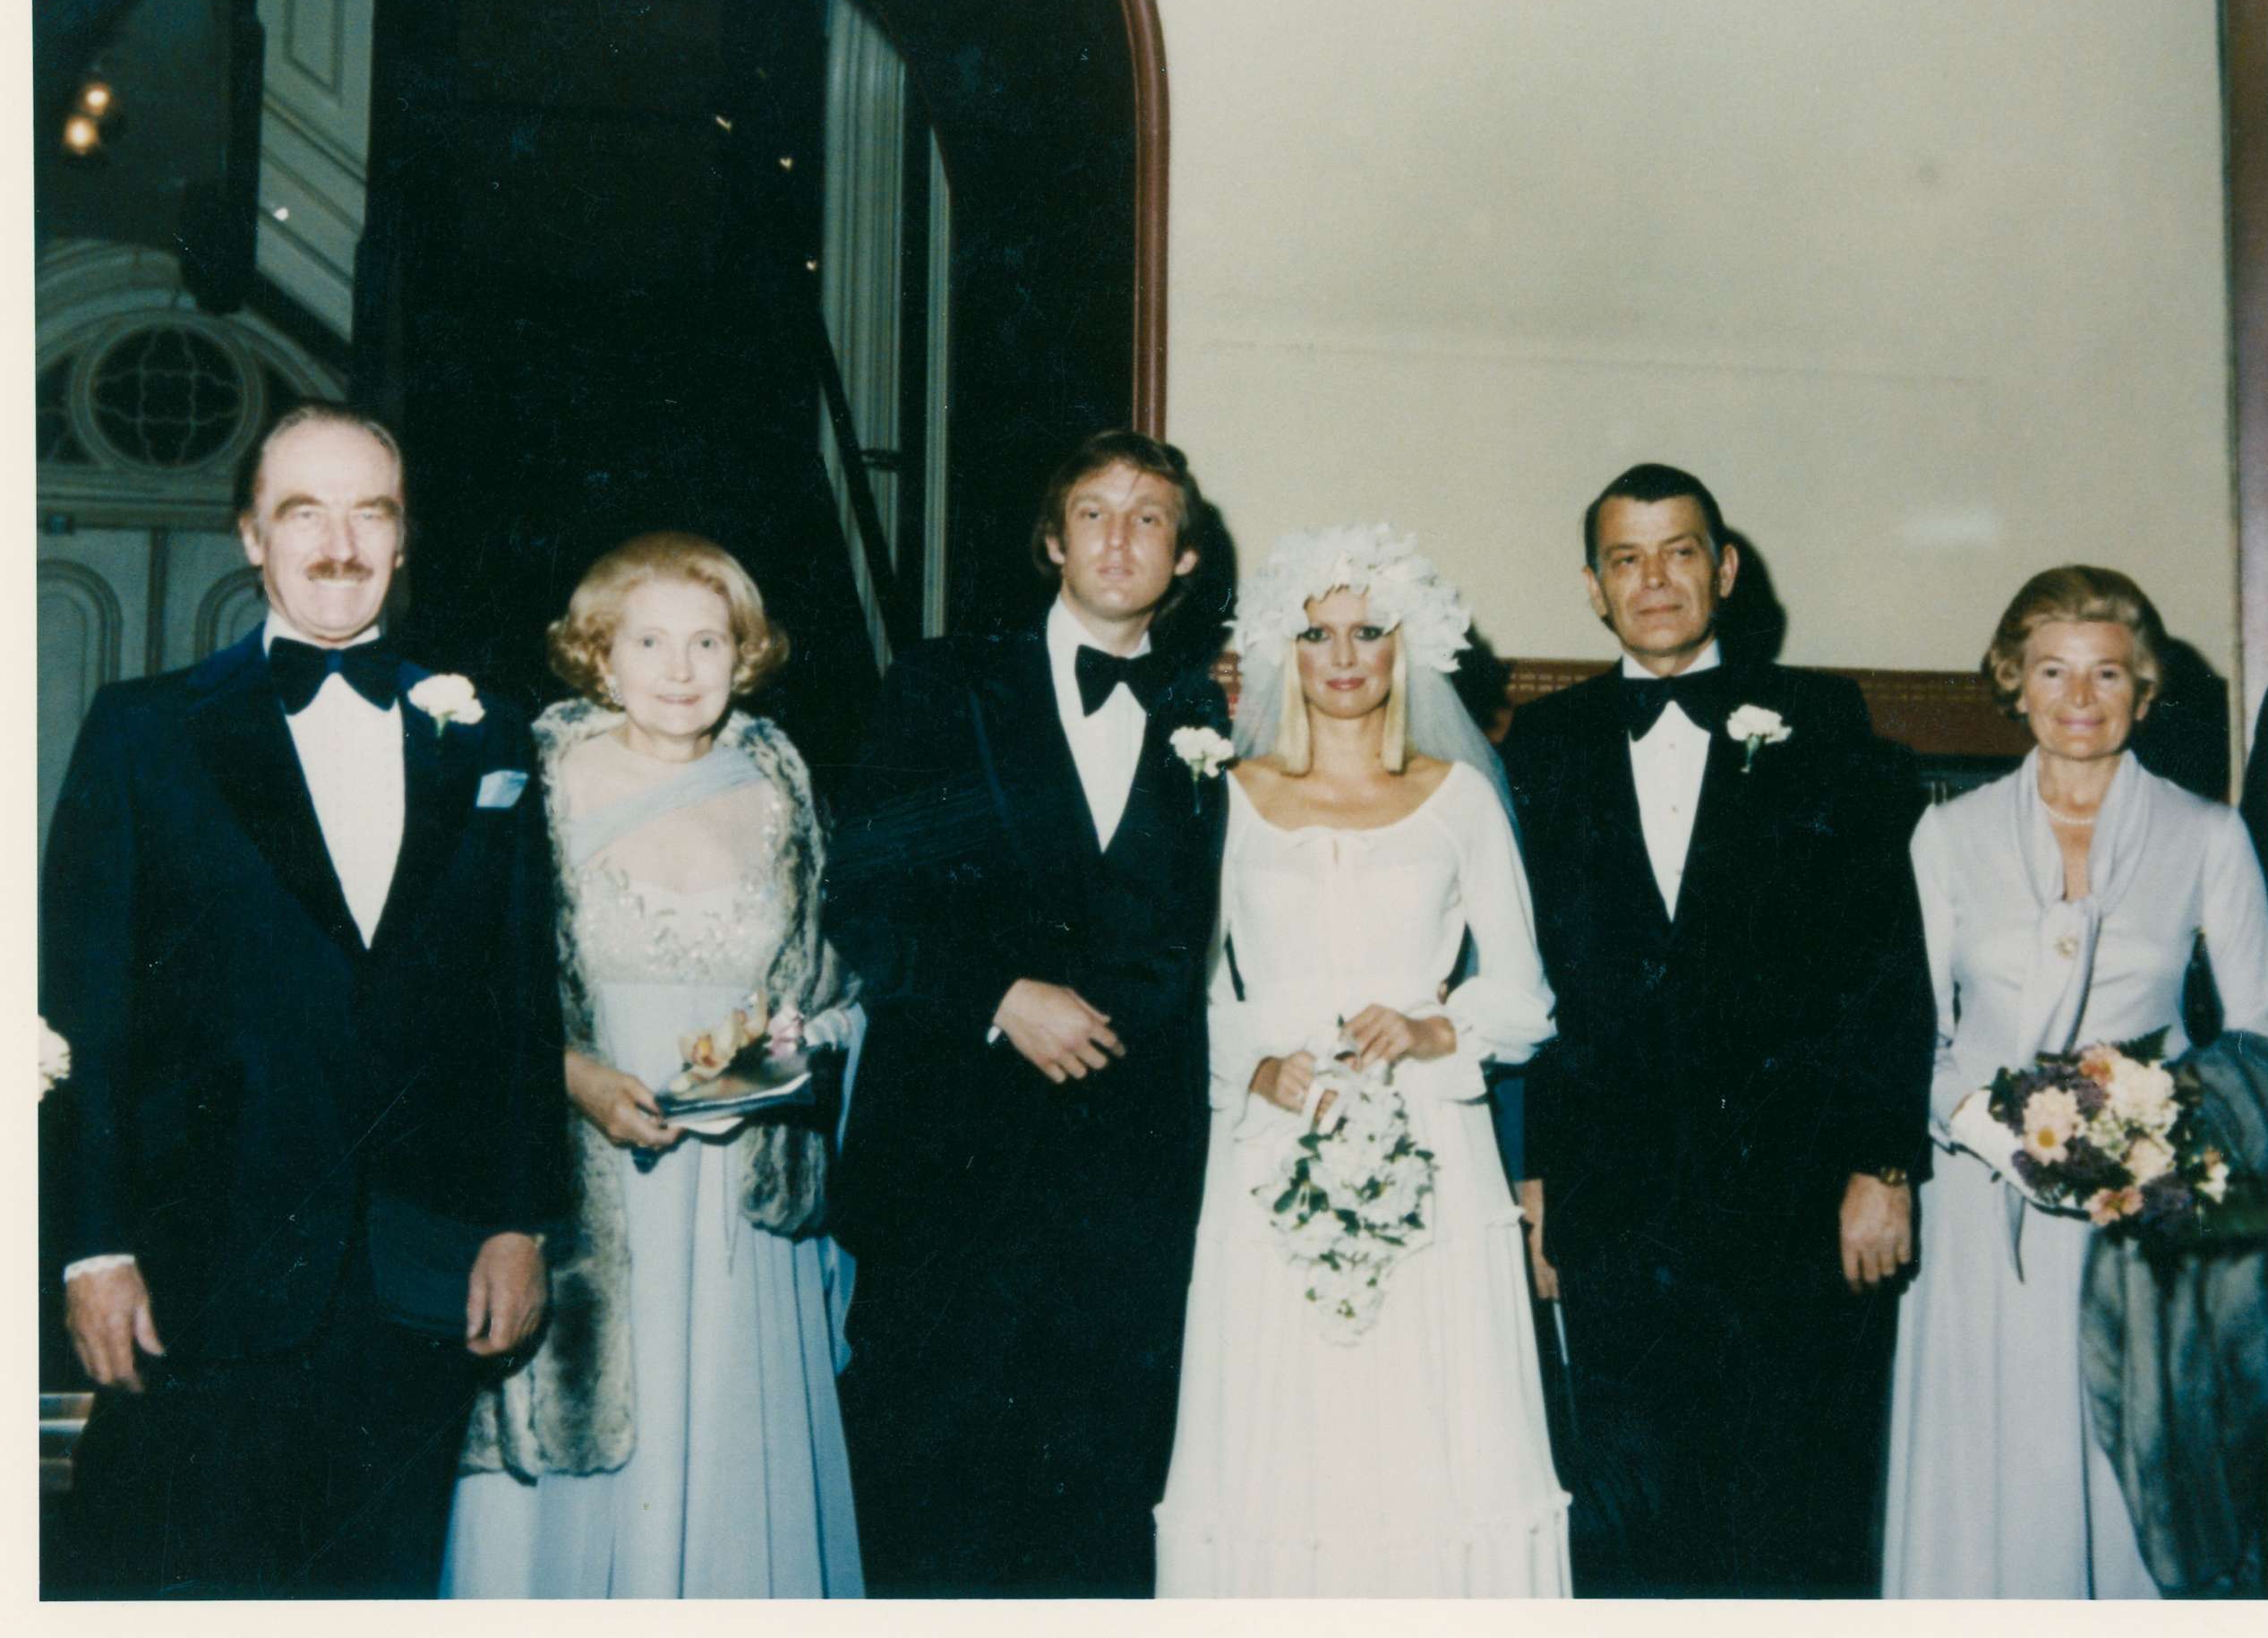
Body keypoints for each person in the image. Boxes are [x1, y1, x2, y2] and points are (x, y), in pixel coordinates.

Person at [42, 405, 564, 1597]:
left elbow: (518, 999)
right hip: (204, 1262)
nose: (338, 544)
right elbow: (86, 1011)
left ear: (404, 534)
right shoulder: (144, 730)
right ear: (249, 536)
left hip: (418, 1267)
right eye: (303, 512)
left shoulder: (486, 729)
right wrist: (91, 1245)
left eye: (369, 511)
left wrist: (518, 1219)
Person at [1499, 462, 1934, 1596]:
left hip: (1792, 1199)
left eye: (1680, 551)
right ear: (1593, 588)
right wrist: (1537, 1180)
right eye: (1626, 559)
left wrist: (1882, 1163)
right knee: (1633, 1520)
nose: (1654, 580)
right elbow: (1531, 982)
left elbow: (1887, 965)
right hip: (1617, 1205)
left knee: (1798, 1511)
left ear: (1725, 569)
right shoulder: (1542, 747)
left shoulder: (1825, 724)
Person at [824, 429, 1228, 1596]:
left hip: (1124, 1180)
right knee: (924, 1482)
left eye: (1149, 516)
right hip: (955, 1156)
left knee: (1100, 1496)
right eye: (1094, 512)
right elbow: (859, 898)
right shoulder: (943, 681)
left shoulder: (1209, 716)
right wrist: (1000, 996)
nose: (1120, 535)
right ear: (1054, 540)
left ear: (1185, 555)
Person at [1153, 525, 1572, 1597]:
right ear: (1282, 652)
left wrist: (1438, 1030)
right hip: (1271, 1139)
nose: (1343, 656)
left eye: (1368, 632)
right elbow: (1191, 991)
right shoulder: (1228, 797)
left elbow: (1523, 992)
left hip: (1428, 1126)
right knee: (1285, 1425)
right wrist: (1251, 1070)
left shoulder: (1461, 798)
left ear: (1407, 648)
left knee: (1427, 1420)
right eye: (1316, 633)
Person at [445, 532, 862, 1597]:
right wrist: (571, 1074)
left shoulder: (779, 782)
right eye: (649, 640)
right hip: (580, 1179)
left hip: (733, 1191)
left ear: (746, 652)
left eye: (708, 641)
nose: (680, 670)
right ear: (600, 653)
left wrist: (784, 1056)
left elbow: (831, 992)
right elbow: (467, 987)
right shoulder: (534, 773)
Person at [1880, 566, 2268, 1599]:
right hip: (1979, 1201)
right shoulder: (1949, 835)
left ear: (2145, 690)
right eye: (2053, 671)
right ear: (2015, 683)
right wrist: (1990, 1131)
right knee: (1995, 1466)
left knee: (2129, 1456)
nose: (2080, 697)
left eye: (2108, 673)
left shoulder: (2206, 834)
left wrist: (2164, 1127)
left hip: (2149, 1208)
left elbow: (2265, 1028)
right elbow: (1907, 1026)